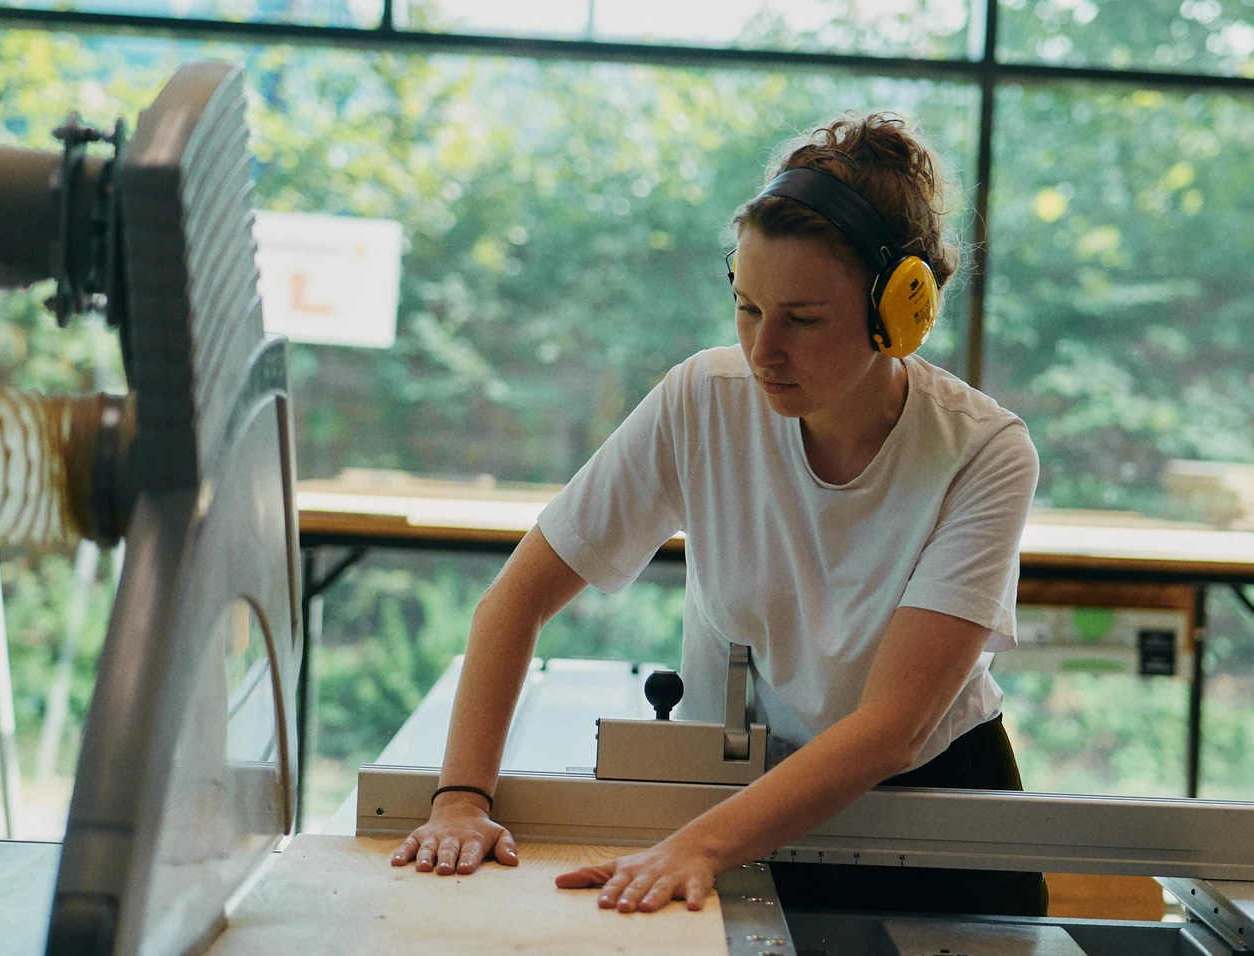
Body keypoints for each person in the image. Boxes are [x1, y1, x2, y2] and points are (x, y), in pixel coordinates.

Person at [390, 111, 1044, 918]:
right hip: (757, 805)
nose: (763, 350)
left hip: (939, 814)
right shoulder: (703, 400)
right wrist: (460, 797)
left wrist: (697, 842)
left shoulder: (984, 453)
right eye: (746, 307)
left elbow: (891, 728)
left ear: (899, 312)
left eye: (802, 320)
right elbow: (515, 601)